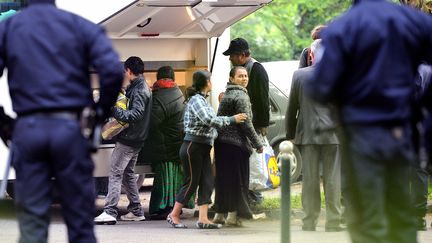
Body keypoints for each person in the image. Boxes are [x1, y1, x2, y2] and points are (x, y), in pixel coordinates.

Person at [305, 0, 432, 242]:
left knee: (366, 214)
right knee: (399, 208)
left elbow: (320, 86)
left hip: (361, 132)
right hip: (402, 129)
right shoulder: (412, 21)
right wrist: (421, 100)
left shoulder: (344, 28)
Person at [0, 0, 124, 242]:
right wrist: (98, 114)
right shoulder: (79, 26)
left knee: (33, 226)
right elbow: (112, 69)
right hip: (70, 131)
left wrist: (3, 122)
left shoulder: (10, 28)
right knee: (80, 225)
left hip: (28, 129)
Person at [166, 70, 247, 229]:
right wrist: (232, 119)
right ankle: (174, 214)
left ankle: (203, 219)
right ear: (207, 82)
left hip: (202, 147)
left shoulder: (203, 100)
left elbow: (211, 126)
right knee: (191, 182)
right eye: (210, 80)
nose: (212, 82)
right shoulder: (196, 100)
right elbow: (209, 120)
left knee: (207, 182)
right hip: (192, 147)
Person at [286, 39, 343, 232]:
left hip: (308, 134)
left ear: (311, 54)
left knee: (309, 179)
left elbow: (292, 107)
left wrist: (290, 134)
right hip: (333, 135)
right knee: (333, 178)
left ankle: (309, 221)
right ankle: (334, 221)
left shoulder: (299, 75)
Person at [95, 56, 152, 225]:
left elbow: (135, 115)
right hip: (136, 139)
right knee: (127, 174)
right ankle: (136, 210)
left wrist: (114, 111)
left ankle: (110, 211)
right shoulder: (140, 86)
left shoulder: (139, 89)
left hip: (129, 139)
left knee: (115, 173)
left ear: (128, 71)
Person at [140, 66, 194, 219]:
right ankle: (176, 207)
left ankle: (164, 208)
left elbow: (152, 122)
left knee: (164, 177)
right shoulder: (178, 92)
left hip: (164, 143)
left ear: (158, 78)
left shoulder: (161, 94)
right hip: (177, 141)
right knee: (175, 177)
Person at [212, 66, 263, 226]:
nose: (244, 79)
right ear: (232, 78)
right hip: (235, 146)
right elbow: (246, 123)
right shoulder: (241, 95)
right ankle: (233, 216)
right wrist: (257, 143)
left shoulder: (228, 93)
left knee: (223, 180)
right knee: (237, 181)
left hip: (221, 144)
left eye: (246, 76)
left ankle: (220, 214)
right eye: (240, 76)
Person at [223, 37, 270, 206]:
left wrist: (262, 125)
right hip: (244, 125)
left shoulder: (257, 70)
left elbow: (263, 99)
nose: (230, 59)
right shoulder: (244, 70)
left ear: (242, 55)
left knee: (253, 163)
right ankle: (249, 198)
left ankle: (255, 199)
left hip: (254, 124)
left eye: (232, 56)